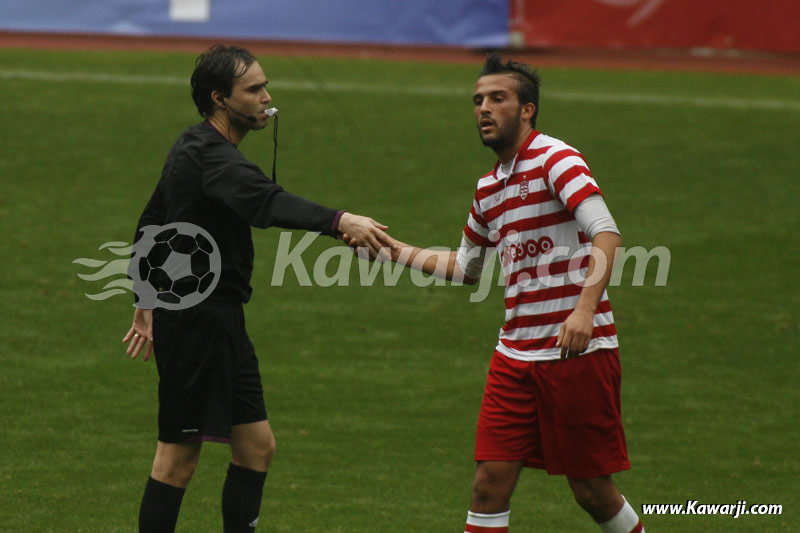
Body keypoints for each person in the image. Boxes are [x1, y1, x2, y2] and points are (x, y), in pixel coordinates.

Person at [121, 44, 392, 533]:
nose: (267, 96)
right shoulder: (213, 159)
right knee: (177, 458)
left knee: (256, 447)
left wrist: (143, 300)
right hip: (198, 320)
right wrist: (339, 220)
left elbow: (151, 222)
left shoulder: (194, 146)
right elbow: (263, 201)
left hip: (218, 319)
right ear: (220, 99)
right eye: (254, 89)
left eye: (266, 86)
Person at [373, 53, 644, 532]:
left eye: (497, 98)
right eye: (478, 100)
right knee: (487, 485)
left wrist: (584, 311)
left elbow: (607, 235)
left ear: (526, 110)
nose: (483, 109)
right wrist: (390, 249)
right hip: (513, 358)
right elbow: (465, 267)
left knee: (591, 492)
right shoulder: (488, 188)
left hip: (576, 354)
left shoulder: (557, 159)